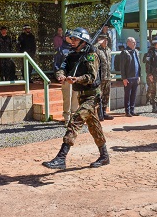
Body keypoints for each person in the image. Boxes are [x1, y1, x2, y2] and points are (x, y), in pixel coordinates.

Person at [42, 27, 109, 169]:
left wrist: (76, 79)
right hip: (82, 96)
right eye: (72, 39)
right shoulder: (72, 54)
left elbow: (91, 77)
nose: (72, 41)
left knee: (75, 121)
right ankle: (104, 156)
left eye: (75, 39)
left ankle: (61, 158)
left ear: (83, 41)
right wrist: (60, 75)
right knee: (94, 127)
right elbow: (62, 67)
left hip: (92, 96)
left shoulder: (91, 55)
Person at [54, 36, 78, 126]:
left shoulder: (76, 49)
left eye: (73, 38)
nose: (72, 40)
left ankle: (74, 118)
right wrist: (59, 76)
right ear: (65, 38)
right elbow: (57, 64)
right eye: (70, 37)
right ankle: (67, 119)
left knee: (75, 98)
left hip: (75, 78)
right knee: (67, 98)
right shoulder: (61, 49)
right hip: (65, 78)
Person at [94, 34, 114, 121]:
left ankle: (104, 112)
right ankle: (99, 113)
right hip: (100, 77)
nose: (106, 41)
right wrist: (98, 43)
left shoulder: (108, 50)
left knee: (106, 95)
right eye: (104, 40)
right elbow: (91, 49)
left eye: (107, 40)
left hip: (108, 77)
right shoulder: (97, 50)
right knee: (99, 95)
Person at [120, 37, 141, 117]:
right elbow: (122, 67)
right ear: (128, 43)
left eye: (135, 42)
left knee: (134, 94)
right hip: (128, 78)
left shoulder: (136, 51)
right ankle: (127, 111)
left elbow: (138, 64)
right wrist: (124, 78)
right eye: (133, 42)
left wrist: (139, 75)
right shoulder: (124, 53)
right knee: (127, 95)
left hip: (135, 77)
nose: (135, 44)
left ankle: (132, 110)